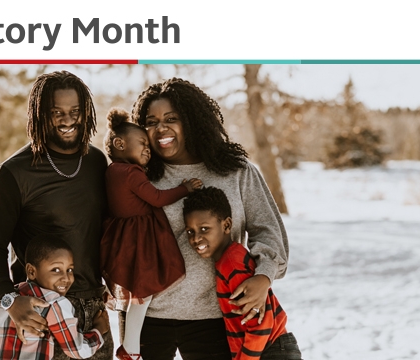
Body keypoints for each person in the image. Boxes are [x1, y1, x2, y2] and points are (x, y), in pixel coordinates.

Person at [130, 78, 289, 360]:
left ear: (192, 120)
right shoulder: (138, 177)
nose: (160, 128)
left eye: (171, 118)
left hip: (217, 318)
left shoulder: (235, 172)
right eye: (151, 121)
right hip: (149, 318)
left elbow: (269, 231)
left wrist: (264, 276)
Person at [0, 70, 113, 359]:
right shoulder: (14, 172)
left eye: (75, 111)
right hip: (43, 314)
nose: (68, 120)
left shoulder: (97, 162)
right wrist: (10, 301)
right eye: (57, 112)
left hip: (94, 310)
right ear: (40, 115)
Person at [99, 108, 203, 360]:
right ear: (120, 143)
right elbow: (156, 198)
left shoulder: (111, 171)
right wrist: (184, 188)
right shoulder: (131, 173)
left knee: (140, 295)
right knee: (142, 294)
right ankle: (130, 347)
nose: (148, 148)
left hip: (122, 236)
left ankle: (131, 346)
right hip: (140, 239)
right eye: (142, 143)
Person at [183, 187, 302, 360]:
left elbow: (261, 323)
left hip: (272, 351)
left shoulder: (233, 264)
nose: (195, 238)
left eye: (204, 229)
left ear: (226, 225)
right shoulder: (229, 260)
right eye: (190, 232)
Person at [0, 235, 111, 359]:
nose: (66, 278)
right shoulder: (54, 303)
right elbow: (77, 350)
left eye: (70, 270)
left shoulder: (10, 300)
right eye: (56, 270)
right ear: (31, 271)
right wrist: (99, 329)